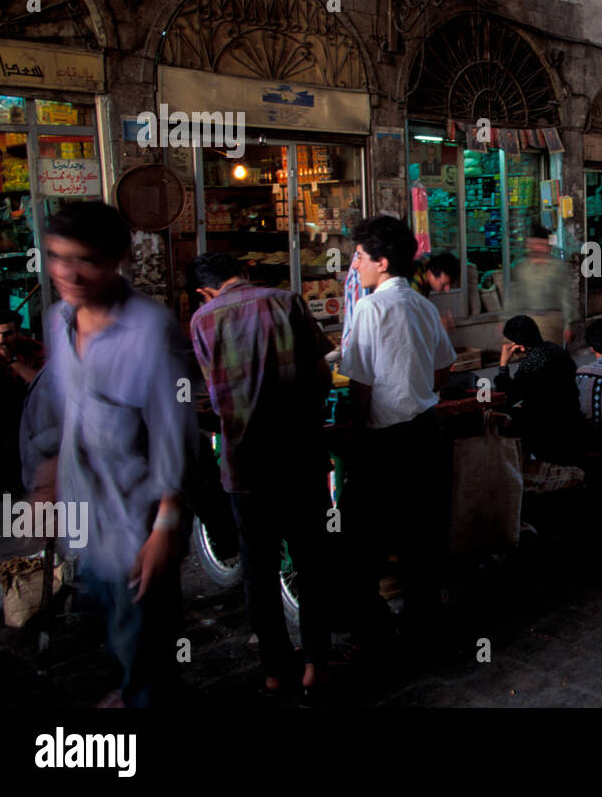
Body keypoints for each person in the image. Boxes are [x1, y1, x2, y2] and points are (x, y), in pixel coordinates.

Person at [29, 202, 198, 708]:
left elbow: (178, 436)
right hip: (87, 523)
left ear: (119, 258)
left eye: (84, 260)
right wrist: (47, 480)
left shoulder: (151, 332)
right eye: (57, 257)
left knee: (147, 650)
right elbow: (68, 413)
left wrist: (165, 531)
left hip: (136, 529)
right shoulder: (59, 320)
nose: (67, 273)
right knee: (119, 645)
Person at [187, 251, 334, 699]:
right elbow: (322, 375)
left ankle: (275, 671)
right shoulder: (288, 301)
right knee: (311, 564)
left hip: (246, 468)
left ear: (203, 291)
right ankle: (316, 667)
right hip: (301, 459)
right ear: (244, 274)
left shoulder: (202, 320)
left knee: (259, 571)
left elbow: (214, 394)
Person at [338, 213, 457, 645]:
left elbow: (360, 384)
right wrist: (416, 384)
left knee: (358, 542)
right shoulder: (424, 306)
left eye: (359, 257)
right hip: (427, 433)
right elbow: (444, 367)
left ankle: (373, 629)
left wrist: (358, 435)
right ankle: (421, 624)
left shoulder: (371, 308)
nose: (354, 265)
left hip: (386, 441)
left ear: (382, 262)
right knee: (421, 539)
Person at [495, 314, 583, 462]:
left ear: (519, 345)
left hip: (547, 432)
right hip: (572, 422)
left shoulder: (531, 364)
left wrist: (503, 364)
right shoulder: (557, 350)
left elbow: (510, 396)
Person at [0, 310, 44, 496]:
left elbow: (43, 385)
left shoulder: (34, 348)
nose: (1, 340)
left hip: (28, 406)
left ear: (18, 332)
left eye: (7, 333)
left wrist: (11, 361)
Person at [502, 222, 577, 346]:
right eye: (535, 244)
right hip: (527, 321)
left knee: (550, 360)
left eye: (542, 244)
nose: (539, 247)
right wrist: (506, 319)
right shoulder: (522, 266)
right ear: (529, 245)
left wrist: (568, 325)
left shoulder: (557, 267)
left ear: (548, 246)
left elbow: (566, 297)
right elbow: (514, 296)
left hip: (552, 322)